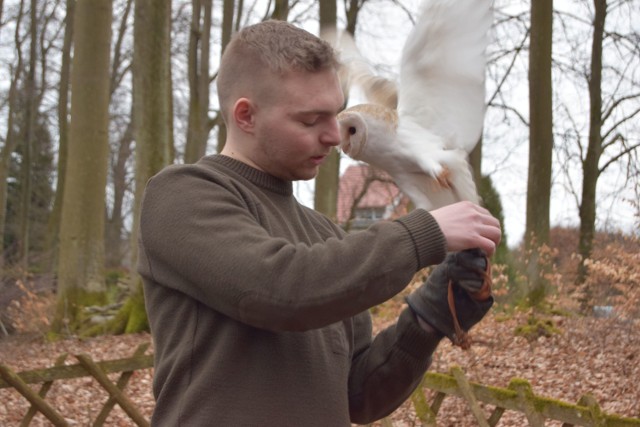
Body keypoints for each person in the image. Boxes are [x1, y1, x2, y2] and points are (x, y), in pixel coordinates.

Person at [137, 20, 501, 426]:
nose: (333, 136)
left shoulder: (323, 235)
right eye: (312, 120)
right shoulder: (182, 196)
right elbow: (279, 288)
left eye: (336, 114)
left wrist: (430, 316)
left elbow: (359, 395)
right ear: (246, 116)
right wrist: (424, 234)